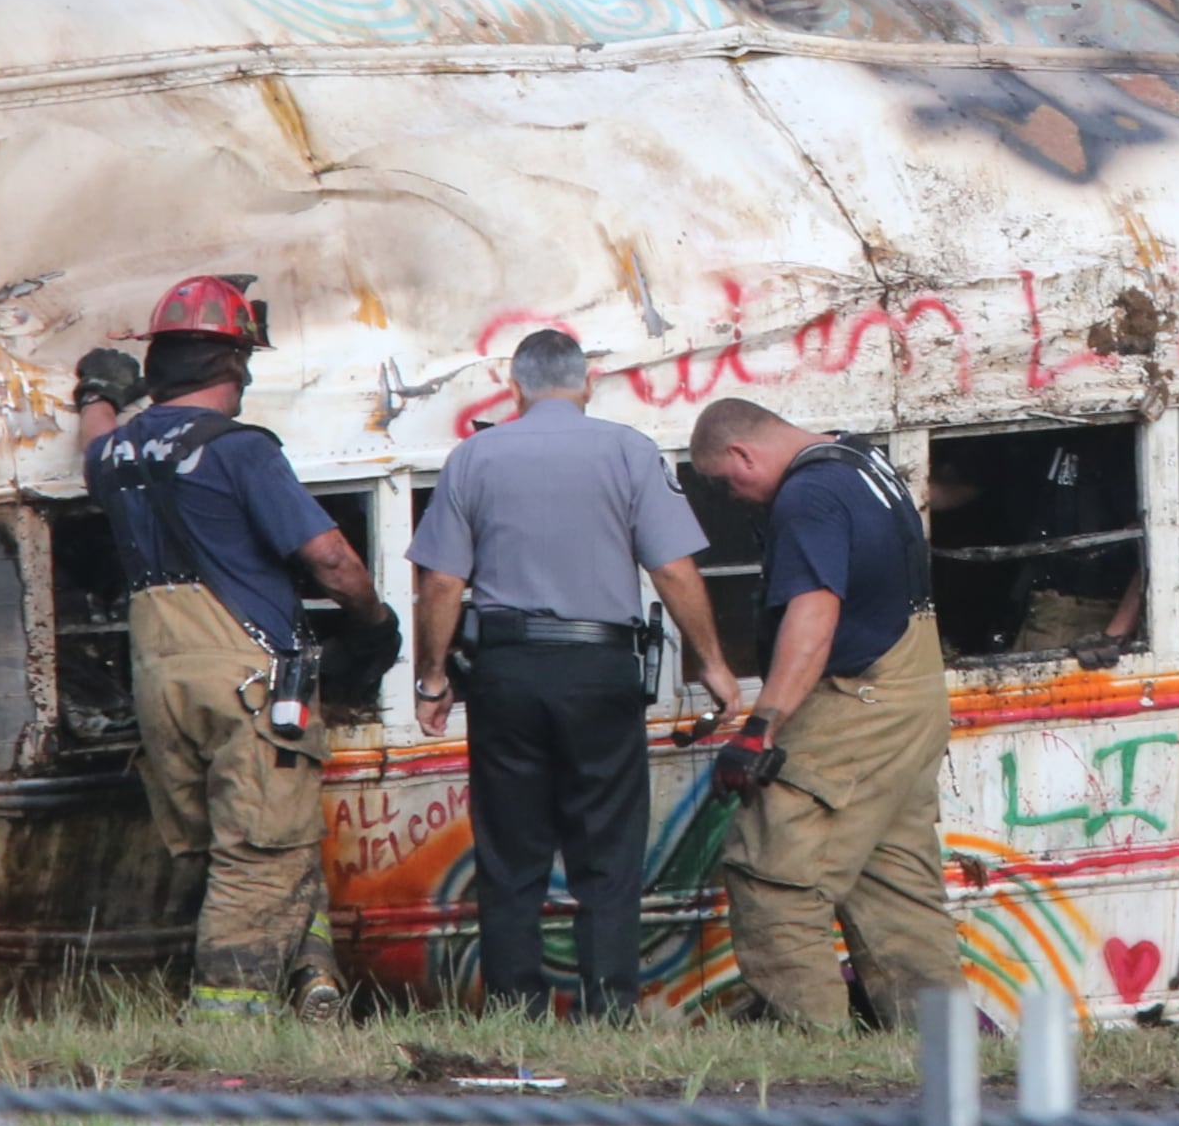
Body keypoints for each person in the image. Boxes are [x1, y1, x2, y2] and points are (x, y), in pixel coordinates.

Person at [75, 276, 399, 1019]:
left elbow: (93, 441)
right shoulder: (239, 449)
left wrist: (96, 390)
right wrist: (373, 620)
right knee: (262, 855)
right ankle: (231, 1028)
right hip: (248, 682)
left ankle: (313, 985)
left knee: (230, 853)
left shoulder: (119, 455)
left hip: (160, 681)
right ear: (234, 367)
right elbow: (330, 559)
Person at [404, 329, 739, 1019]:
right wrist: (711, 664)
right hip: (600, 669)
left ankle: (513, 1011)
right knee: (609, 850)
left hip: (506, 671)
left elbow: (440, 584)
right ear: (587, 384)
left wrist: (432, 678)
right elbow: (673, 569)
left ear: (516, 386)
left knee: (510, 849)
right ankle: (610, 1009)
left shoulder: (473, 457)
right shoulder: (628, 451)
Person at [684, 397, 963, 1028]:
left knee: (772, 874)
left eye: (730, 482)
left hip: (858, 701)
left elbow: (813, 615)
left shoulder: (807, 497)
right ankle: (941, 1056)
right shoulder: (863, 459)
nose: (737, 497)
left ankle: (813, 1060)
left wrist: (762, 727)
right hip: (913, 697)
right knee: (894, 887)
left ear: (743, 453)